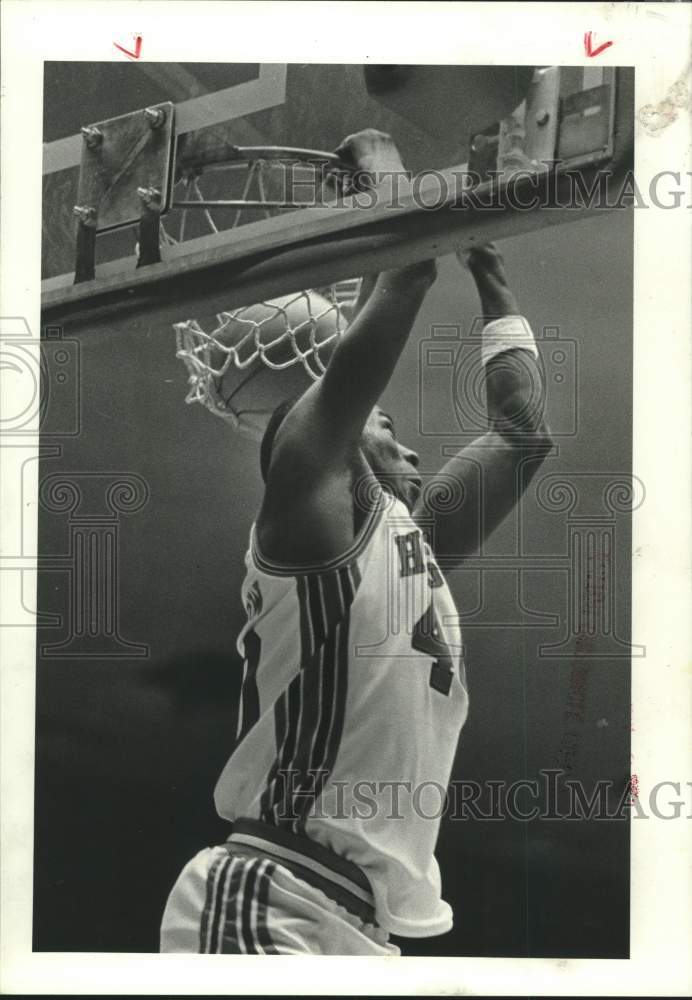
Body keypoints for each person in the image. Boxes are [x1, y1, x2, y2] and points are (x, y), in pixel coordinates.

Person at [160, 129, 552, 955]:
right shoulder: (307, 518)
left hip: (364, 924)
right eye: (381, 422)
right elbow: (406, 271)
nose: (408, 446)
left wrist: (490, 266)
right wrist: (380, 161)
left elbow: (521, 432)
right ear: (329, 450)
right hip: (274, 889)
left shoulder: (413, 549)